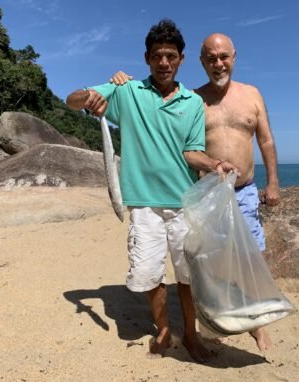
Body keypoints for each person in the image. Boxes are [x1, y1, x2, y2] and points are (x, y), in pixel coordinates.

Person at [66, 20, 236, 363]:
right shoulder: (127, 92)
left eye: (170, 56)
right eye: (157, 56)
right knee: (148, 273)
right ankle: (162, 329)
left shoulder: (191, 103)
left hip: (184, 203)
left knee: (187, 277)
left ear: (181, 59)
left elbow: (191, 151)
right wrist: (90, 98)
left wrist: (215, 164)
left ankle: (190, 334)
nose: (164, 63)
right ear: (147, 58)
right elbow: (71, 100)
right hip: (143, 204)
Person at [110, 33, 280, 352]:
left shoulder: (252, 95)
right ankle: (214, 318)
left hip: (243, 190)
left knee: (253, 258)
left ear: (234, 56)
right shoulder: (192, 100)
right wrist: (121, 82)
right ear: (200, 62)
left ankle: (257, 326)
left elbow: (266, 141)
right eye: (211, 59)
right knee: (210, 263)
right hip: (208, 192)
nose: (219, 64)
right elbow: (184, 147)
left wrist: (273, 183)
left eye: (224, 57)